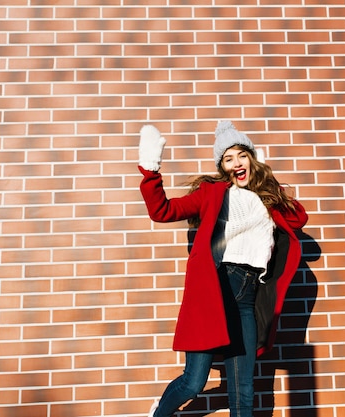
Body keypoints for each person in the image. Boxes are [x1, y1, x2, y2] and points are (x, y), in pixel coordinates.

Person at [137, 120, 308, 417]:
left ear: (252, 158)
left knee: (243, 391)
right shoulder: (213, 193)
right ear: (222, 166)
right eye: (228, 158)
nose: (236, 163)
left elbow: (298, 219)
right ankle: (160, 413)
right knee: (193, 383)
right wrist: (150, 170)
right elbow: (162, 210)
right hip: (217, 290)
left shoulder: (265, 200)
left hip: (248, 299)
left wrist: (269, 184)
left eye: (242, 155)